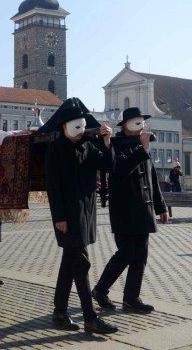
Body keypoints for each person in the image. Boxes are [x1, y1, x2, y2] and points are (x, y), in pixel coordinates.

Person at [45, 105, 118, 334]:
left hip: (86, 214)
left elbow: (109, 165)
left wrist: (106, 142)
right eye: (74, 125)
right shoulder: (55, 149)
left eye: (82, 125)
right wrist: (59, 218)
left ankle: (59, 312)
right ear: (64, 127)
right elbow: (53, 187)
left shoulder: (88, 146)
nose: (79, 130)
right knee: (81, 264)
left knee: (69, 264)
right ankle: (90, 317)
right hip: (67, 217)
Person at [92, 107, 168, 314]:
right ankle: (100, 290)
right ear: (125, 126)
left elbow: (152, 179)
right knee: (126, 253)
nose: (139, 127)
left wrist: (161, 207)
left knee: (140, 256)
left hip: (144, 211)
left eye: (141, 123)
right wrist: (142, 150)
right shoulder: (115, 145)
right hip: (124, 210)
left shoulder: (142, 147)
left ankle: (131, 299)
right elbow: (120, 168)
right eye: (134, 123)